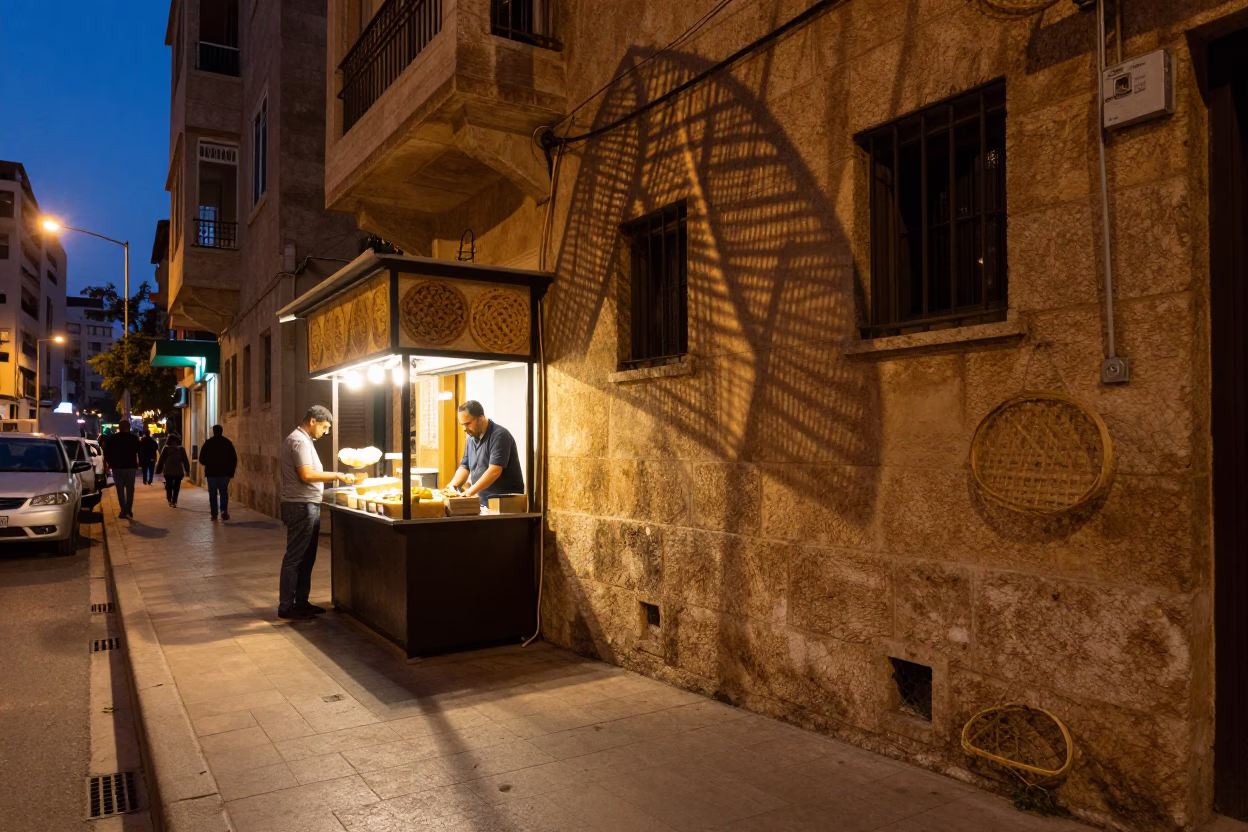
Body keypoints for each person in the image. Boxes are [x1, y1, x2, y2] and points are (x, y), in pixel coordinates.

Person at [278, 406, 355, 621]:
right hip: (300, 506)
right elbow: (307, 474)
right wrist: (338, 475)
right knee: (295, 557)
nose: (325, 432)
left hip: (307, 504)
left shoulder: (304, 440)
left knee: (307, 556)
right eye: (324, 427)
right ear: (313, 421)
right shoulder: (299, 441)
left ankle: (301, 602)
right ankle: (286, 606)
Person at [446, 400, 524, 507]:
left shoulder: (499, 435)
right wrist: (453, 485)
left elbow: (494, 471)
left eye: (468, 424)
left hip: (505, 504)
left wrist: (468, 493)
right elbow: (465, 466)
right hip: (483, 501)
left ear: (481, 418)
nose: (464, 429)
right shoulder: (471, 438)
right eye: (462, 424)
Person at [199, 424, 238, 521]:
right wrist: (231, 471)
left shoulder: (208, 443)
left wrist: (208, 463)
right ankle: (223, 510)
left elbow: (201, 459)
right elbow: (233, 458)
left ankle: (214, 513)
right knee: (223, 492)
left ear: (214, 431)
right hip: (224, 473)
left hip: (211, 473)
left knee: (213, 494)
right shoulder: (227, 443)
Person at [104, 422, 141, 519]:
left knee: (119, 489)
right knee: (130, 489)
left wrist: (110, 462)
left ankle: (123, 510)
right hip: (130, 467)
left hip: (117, 467)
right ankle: (129, 509)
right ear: (129, 427)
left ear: (120, 428)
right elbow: (139, 450)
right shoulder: (133, 438)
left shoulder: (113, 438)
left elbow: (106, 451)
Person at [156, 435, 191, 507]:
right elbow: (185, 460)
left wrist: (158, 470)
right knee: (177, 486)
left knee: (169, 485)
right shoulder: (181, 449)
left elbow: (161, 460)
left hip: (168, 471)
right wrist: (187, 469)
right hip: (179, 471)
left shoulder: (166, 448)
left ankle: (169, 499)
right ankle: (174, 501)